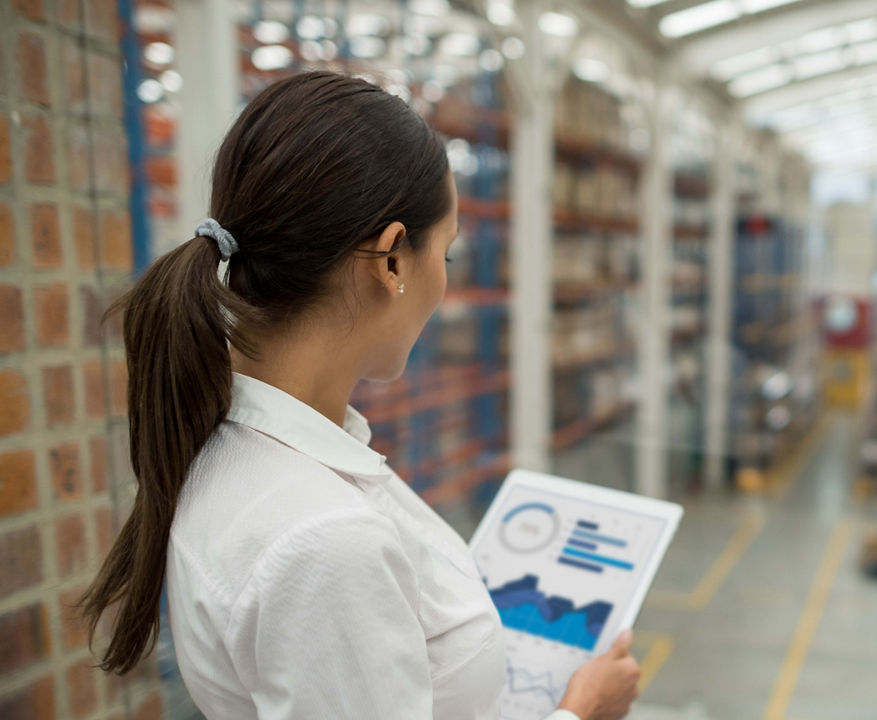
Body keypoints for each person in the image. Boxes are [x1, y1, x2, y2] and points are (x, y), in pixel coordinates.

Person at [78, 72, 640, 720]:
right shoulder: (324, 540)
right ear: (392, 260)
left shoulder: (234, 445)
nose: (445, 286)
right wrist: (578, 714)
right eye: (447, 257)